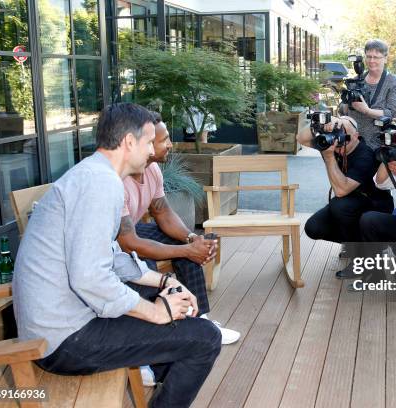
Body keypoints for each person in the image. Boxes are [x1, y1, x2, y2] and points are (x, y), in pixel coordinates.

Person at [13, 103, 221, 408]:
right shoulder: (100, 185)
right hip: (65, 340)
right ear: (128, 142)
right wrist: (155, 312)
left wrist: (163, 281)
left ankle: (164, 370)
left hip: (63, 324)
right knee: (205, 339)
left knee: (169, 312)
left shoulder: (92, 175)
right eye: (149, 142)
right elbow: (89, 278)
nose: (152, 151)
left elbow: (111, 256)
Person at [117, 111, 241, 347]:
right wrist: (186, 251)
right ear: (146, 144)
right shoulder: (117, 179)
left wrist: (192, 239)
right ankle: (159, 330)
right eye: (164, 140)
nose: (170, 144)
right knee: (152, 258)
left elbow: (163, 212)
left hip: (130, 234)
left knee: (186, 244)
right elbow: (128, 243)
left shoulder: (151, 170)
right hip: (115, 243)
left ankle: (200, 318)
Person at [297, 116, 394, 245]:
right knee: (313, 228)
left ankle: (363, 249)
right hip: (348, 203)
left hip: (374, 206)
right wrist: (322, 123)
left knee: (339, 206)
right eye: (336, 133)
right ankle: (354, 242)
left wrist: (329, 157)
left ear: (356, 136)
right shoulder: (332, 145)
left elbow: (341, 191)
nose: (339, 139)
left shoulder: (365, 155)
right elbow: (301, 138)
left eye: (344, 135)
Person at [340, 39, 396, 151]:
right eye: (368, 56)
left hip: (376, 145)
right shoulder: (356, 81)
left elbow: (395, 114)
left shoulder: (394, 82)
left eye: (376, 57)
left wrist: (367, 111)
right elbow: (342, 110)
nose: (371, 60)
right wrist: (347, 103)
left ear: (385, 58)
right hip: (351, 142)